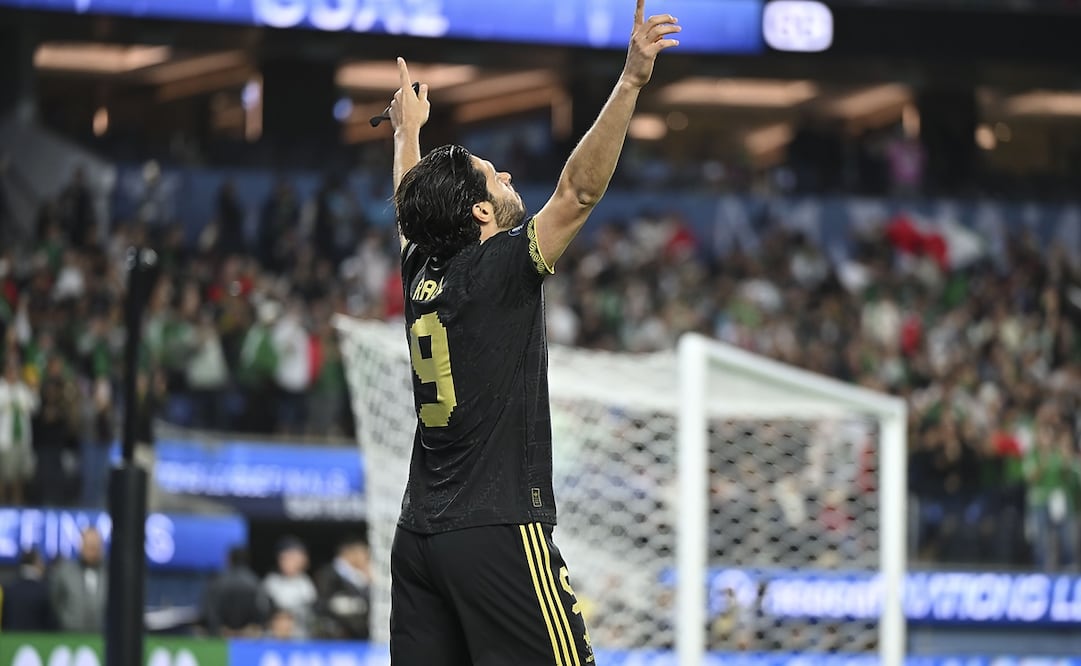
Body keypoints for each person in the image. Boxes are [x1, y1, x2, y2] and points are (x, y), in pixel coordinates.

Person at [386, 2, 679, 663]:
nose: (510, 177)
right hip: (495, 533)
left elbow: (412, 208)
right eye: (497, 176)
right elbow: (576, 194)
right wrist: (631, 79)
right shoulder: (499, 267)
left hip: (419, 540)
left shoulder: (422, 266)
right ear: (483, 211)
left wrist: (407, 132)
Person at [202, 546, 272, 637]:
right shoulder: (256, 582)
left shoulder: (216, 581)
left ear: (229, 560)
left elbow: (208, 611)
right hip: (248, 637)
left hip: (222, 637)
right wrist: (253, 627)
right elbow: (264, 611)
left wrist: (217, 628)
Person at [49, 527, 108, 632]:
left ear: (101, 548)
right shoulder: (65, 572)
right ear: (80, 546)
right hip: (71, 637)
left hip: (102, 637)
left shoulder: (110, 575)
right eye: (88, 546)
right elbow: (56, 602)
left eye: (95, 547)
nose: (92, 551)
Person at [313, 535, 371, 640]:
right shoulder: (328, 573)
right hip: (334, 636)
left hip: (359, 635)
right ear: (350, 553)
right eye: (363, 553)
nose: (365, 557)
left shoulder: (361, 576)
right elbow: (321, 603)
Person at [262, 536, 317, 639]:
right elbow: (264, 611)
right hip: (273, 636)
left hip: (300, 636)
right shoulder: (271, 582)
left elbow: (310, 615)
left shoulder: (306, 584)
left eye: (293, 559)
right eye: (285, 559)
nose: (289, 563)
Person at [0, 549, 56, 631]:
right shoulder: (45, 591)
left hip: (12, 641)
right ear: (37, 563)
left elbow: (4, 621)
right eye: (41, 562)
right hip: (38, 642)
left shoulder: (8, 589)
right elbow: (52, 625)